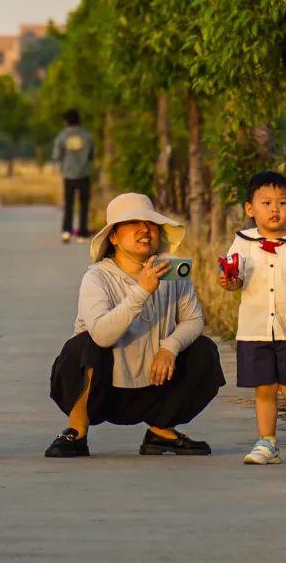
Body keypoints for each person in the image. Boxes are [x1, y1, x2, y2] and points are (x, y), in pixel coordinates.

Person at [44, 191, 224, 458]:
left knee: (204, 351)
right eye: (132, 223)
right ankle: (77, 430)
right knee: (82, 346)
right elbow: (102, 335)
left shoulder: (172, 271)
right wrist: (142, 291)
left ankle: (161, 431)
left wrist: (170, 347)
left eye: (151, 223)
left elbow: (194, 319)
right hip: (105, 391)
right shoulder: (97, 277)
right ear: (113, 237)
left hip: (155, 384)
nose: (145, 229)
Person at [217, 169, 286, 465]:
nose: (274, 209)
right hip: (255, 330)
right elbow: (234, 277)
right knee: (264, 389)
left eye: (282, 202)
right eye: (266, 203)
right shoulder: (242, 242)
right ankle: (267, 443)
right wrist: (228, 281)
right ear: (250, 209)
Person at [52, 108, 95, 243]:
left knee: (69, 203)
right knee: (84, 204)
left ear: (66, 121)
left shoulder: (62, 136)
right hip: (84, 173)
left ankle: (67, 231)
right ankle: (82, 233)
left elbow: (57, 155)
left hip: (68, 174)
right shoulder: (87, 135)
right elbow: (92, 155)